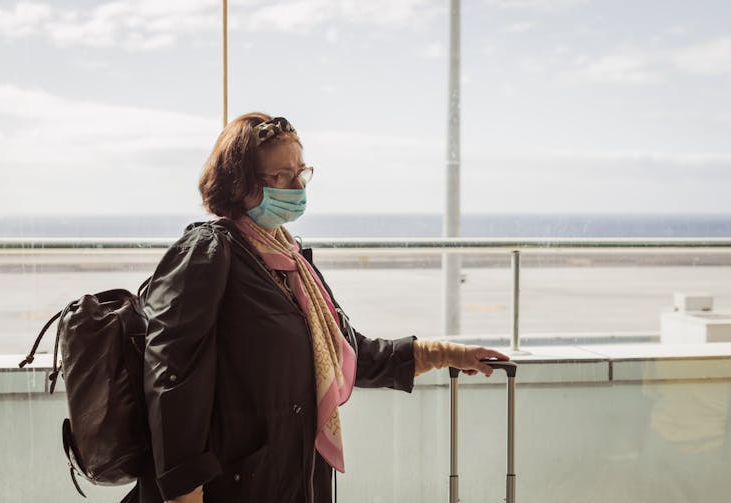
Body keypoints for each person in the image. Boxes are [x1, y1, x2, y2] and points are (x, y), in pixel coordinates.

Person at [134, 112, 509, 503]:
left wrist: (445, 353)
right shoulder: (209, 253)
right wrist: (184, 492)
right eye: (280, 176)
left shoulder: (292, 260)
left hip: (292, 481)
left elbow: (350, 352)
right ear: (239, 183)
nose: (297, 186)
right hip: (230, 486)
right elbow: (170, 377)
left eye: (301, 172)